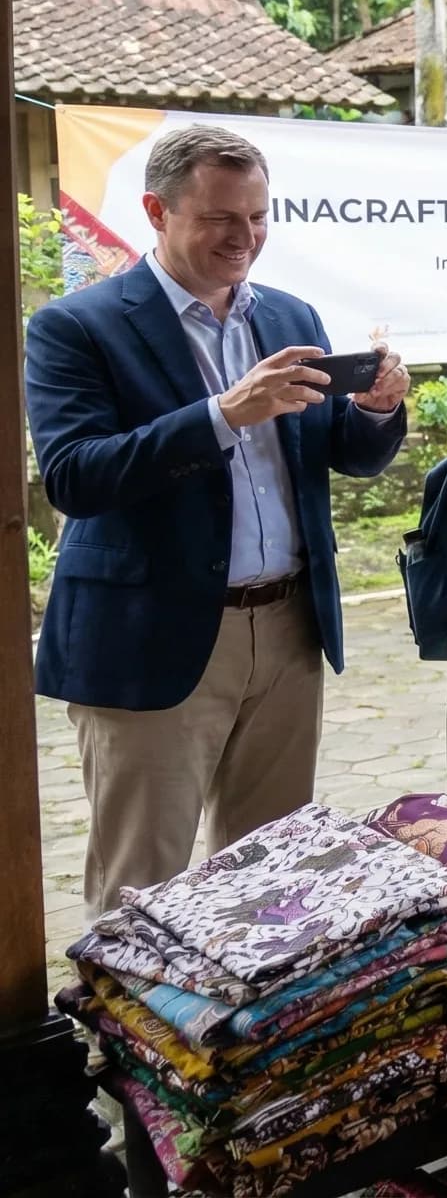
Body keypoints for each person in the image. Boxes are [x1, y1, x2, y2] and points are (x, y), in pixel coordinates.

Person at [27, 124, 412, 912]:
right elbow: (75, 476)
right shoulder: (77, 327)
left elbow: (341, 452)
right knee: (143, 887)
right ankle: (129, 1002)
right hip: (151, 637)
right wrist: (222, 415)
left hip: (288, 628)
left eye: (259, 217)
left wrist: (376, 412)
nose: (245, 238)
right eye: (219, 219)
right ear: (156, 212)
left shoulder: (291, 316)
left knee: (272, 878)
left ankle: (251, 999)